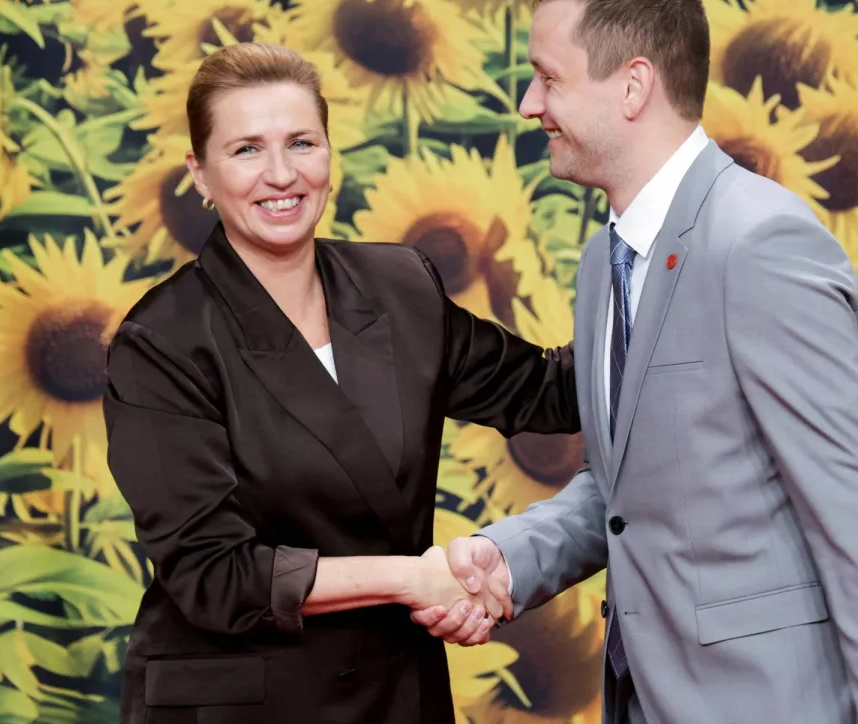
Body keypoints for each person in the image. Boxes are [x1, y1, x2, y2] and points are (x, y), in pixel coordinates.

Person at [413, 0, 858, 724]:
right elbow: (630, 490)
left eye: (548, 78)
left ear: (633, 86)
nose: (529, 104)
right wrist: (510, 557)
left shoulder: (760, 243)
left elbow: (854, 517)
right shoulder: (604, 261)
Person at [102, 41, 578, 724]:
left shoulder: (399, 285)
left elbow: (549, 392)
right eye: (246, 150)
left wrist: (667, 280)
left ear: (330, 155)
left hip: (396, 694)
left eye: (302, 143)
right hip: (245, 706)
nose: (281, 174)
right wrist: (414, 579)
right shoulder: (161, 341)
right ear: (199, 173)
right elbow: (215, 575)